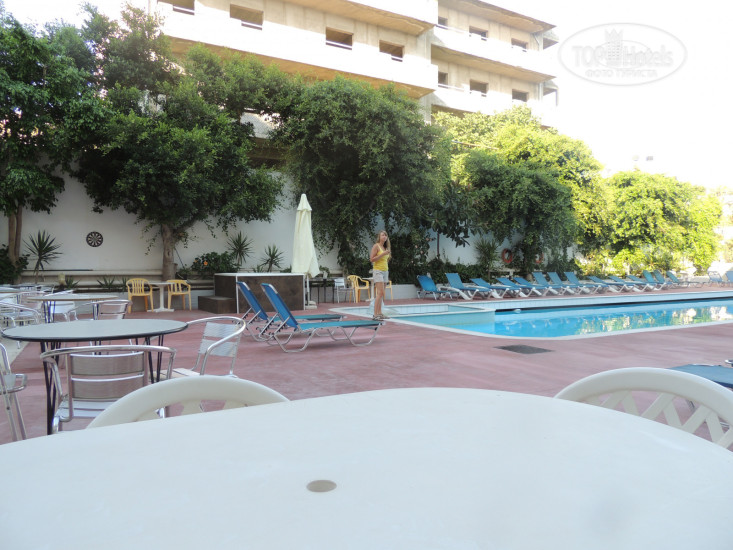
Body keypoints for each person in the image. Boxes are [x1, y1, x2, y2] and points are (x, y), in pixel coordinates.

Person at [370, 230, 391, 321]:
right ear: (379, 237)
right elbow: (372, 259)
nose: (384, 236)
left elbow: (385, 260)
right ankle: (375, 314)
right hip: (378, 271)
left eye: (385, 235)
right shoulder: (376, 246)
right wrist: (383, 254)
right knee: (380, 293)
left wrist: (385, 254)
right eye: (383, 235)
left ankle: (380, 313)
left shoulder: (386, 247)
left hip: (385, 271)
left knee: (382, 293)